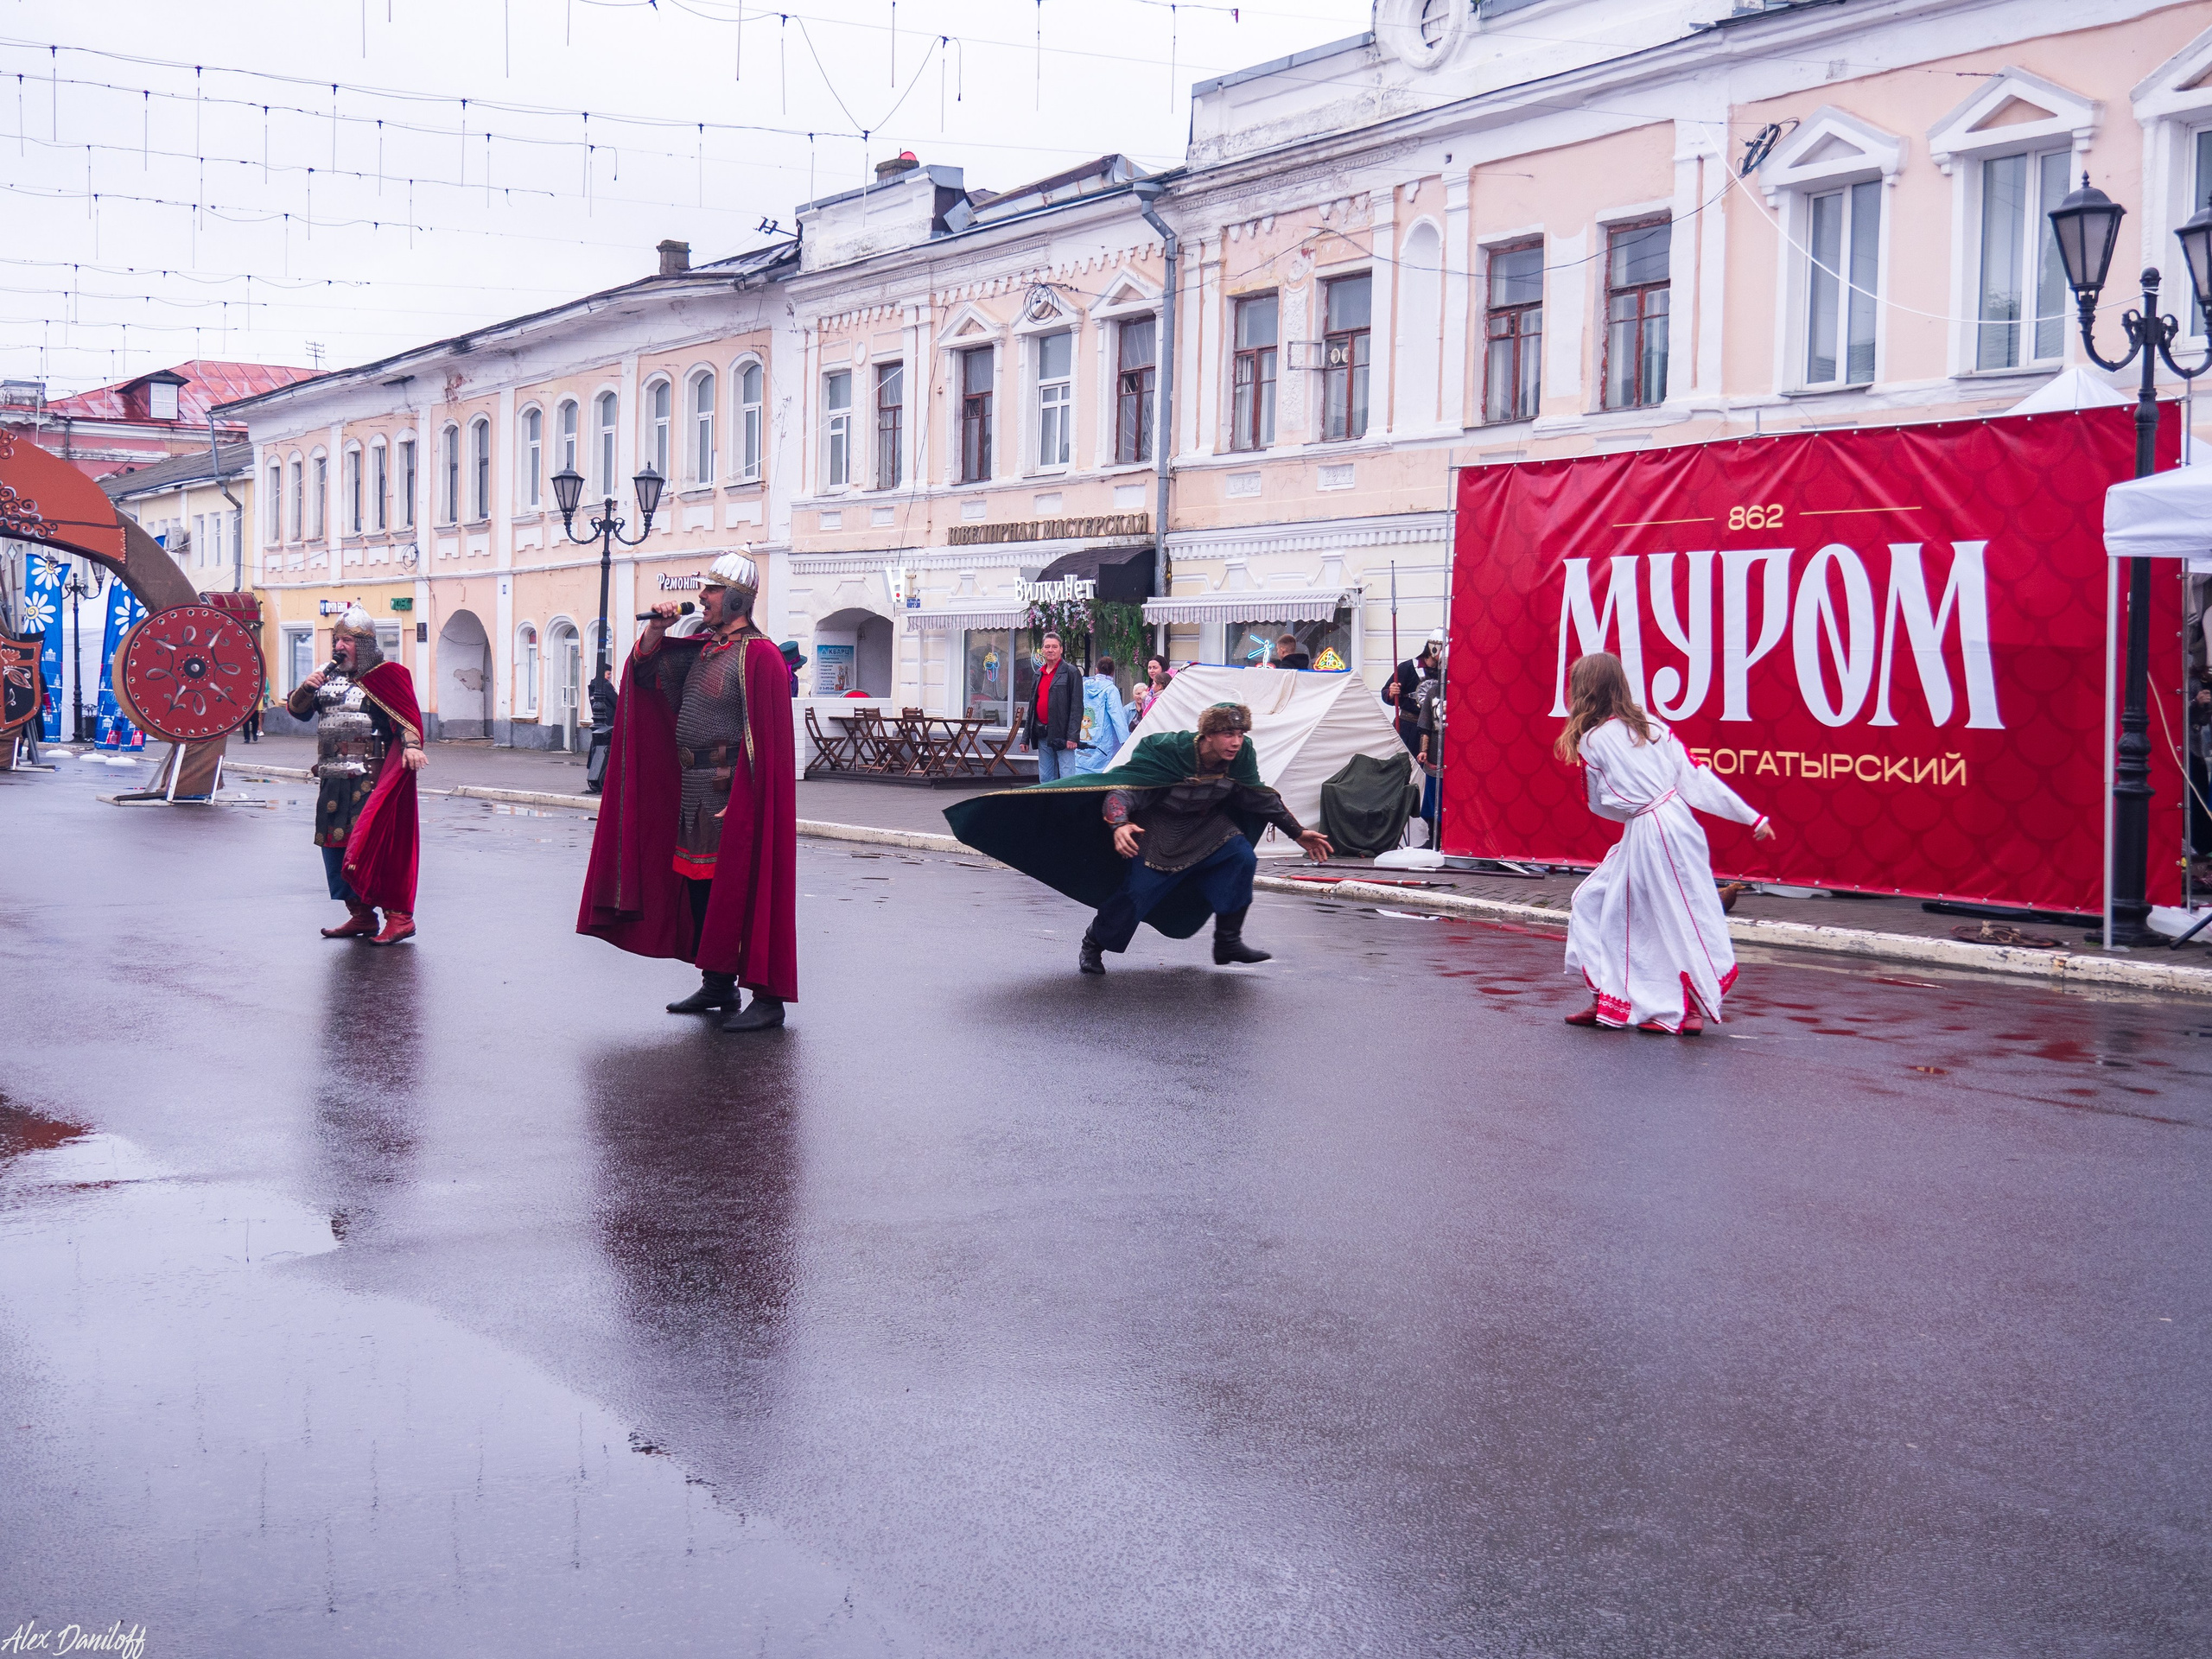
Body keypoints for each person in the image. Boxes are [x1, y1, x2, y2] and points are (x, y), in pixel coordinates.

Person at [943, 701, 1333, 976]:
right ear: (1209, 735)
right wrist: (1120, 824)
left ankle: (1228, 941)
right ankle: (1095, 941)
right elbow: (1124, 791)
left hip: (1210, 826)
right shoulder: (1168, 753)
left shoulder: (1242, 756)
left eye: (1240, 733)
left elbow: (1256, 795)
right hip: (1160, 827)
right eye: (1228, 733)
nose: (1235, 741)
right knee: (1137, 895)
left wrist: (1297, 833)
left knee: (1242, 857)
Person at [577, 551, 798, 1033]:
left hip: (731, 793)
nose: (703, 597)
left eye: (713, 590)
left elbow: (765, 739)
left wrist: (746, 799)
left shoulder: (758, 655)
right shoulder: (704, 649)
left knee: (739, 893)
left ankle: (768, 996)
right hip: (694, 790)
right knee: (700, 890)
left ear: (737, 598)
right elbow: (648, 680)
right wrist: (657, 631)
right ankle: (718, 982)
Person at [1555, 651, 1774, 1034]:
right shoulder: (1653, 726)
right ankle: (1611, 997)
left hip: (1650, 829)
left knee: (1658, 915)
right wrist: (1751, 816)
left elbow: (1600, 802)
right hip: (1675, 825)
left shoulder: (1592, 740)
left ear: (1583, 691)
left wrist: (1635, 813)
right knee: (1612, 904)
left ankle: (1681, 1008)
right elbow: (1694, 779)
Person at [286, 603, 425, 946]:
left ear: (364, 643)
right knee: (335, 846)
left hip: (370, 779)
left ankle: (399, 918)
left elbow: (406, 718)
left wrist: (411, 746)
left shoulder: (387, 676)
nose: (339, 646)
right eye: (336, 639)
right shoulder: (326, 677)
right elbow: (297, 712)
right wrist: (306, 688)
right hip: (333, 778)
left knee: (374, 847)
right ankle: (361, 915)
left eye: (347, 639)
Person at [1023, 630, 1081, 781]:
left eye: (1054, 647)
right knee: (1046, 778)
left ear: (1061, 649)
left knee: (1067, 778)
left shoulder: (1071, 672)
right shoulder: (1038, 674)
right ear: (1042, 650)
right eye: (1047, 646)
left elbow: (1077, 707)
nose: (1050, 650)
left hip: (1063, 735)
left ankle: (1068, 805)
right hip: (1042, 733)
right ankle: (1048, 805)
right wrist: (1025, 738)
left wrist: (1073, 736)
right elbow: (1032, 709)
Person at [1068, 654, 1131, 776]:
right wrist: (1126, 742)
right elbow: (1117, 717)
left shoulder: (1083, 686)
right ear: (1113, 672)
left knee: (1079, 776)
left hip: (1081, 739)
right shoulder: (1111, 690)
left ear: (1096, 670)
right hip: (1103, 745)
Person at [1385, 632, 1441, 758]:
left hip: (1435, 730)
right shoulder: (1408, 668)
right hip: (1409, 727)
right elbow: (1386, 693)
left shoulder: (1446, 672)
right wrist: (1391, 692)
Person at [583, 665, 615, 793]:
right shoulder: (605, 686)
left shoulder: (592, 686)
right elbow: (617, 701)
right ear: (602, 673)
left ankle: (595, 779)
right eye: (608, 673)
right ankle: (601, 780)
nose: (609, 676)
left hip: (599, 722)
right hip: (609, 722)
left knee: (596, 747)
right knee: (607, 749)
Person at [1131, 653, 1173, 726]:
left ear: (1163, 668)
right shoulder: (1150, 689)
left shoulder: (1169, 689)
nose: (1151, 671)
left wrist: (1146, 698)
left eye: (1155, 667)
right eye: (1149, 668)